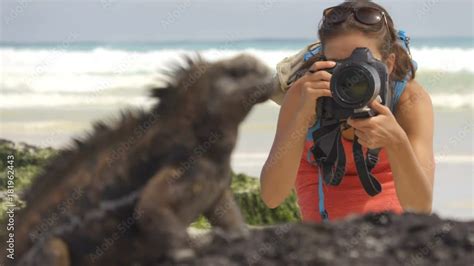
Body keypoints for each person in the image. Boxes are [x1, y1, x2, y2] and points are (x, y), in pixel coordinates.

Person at [260, 0, 435, 222]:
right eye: (337, 64)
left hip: (393, 219)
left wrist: (397, 142)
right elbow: (272, 197)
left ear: (388, 65)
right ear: (323, 61)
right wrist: (302, 116)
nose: (350, 77)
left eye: (362, 63)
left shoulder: (408, 100)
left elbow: (420, 210)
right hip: (324, 218)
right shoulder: (305, 92)